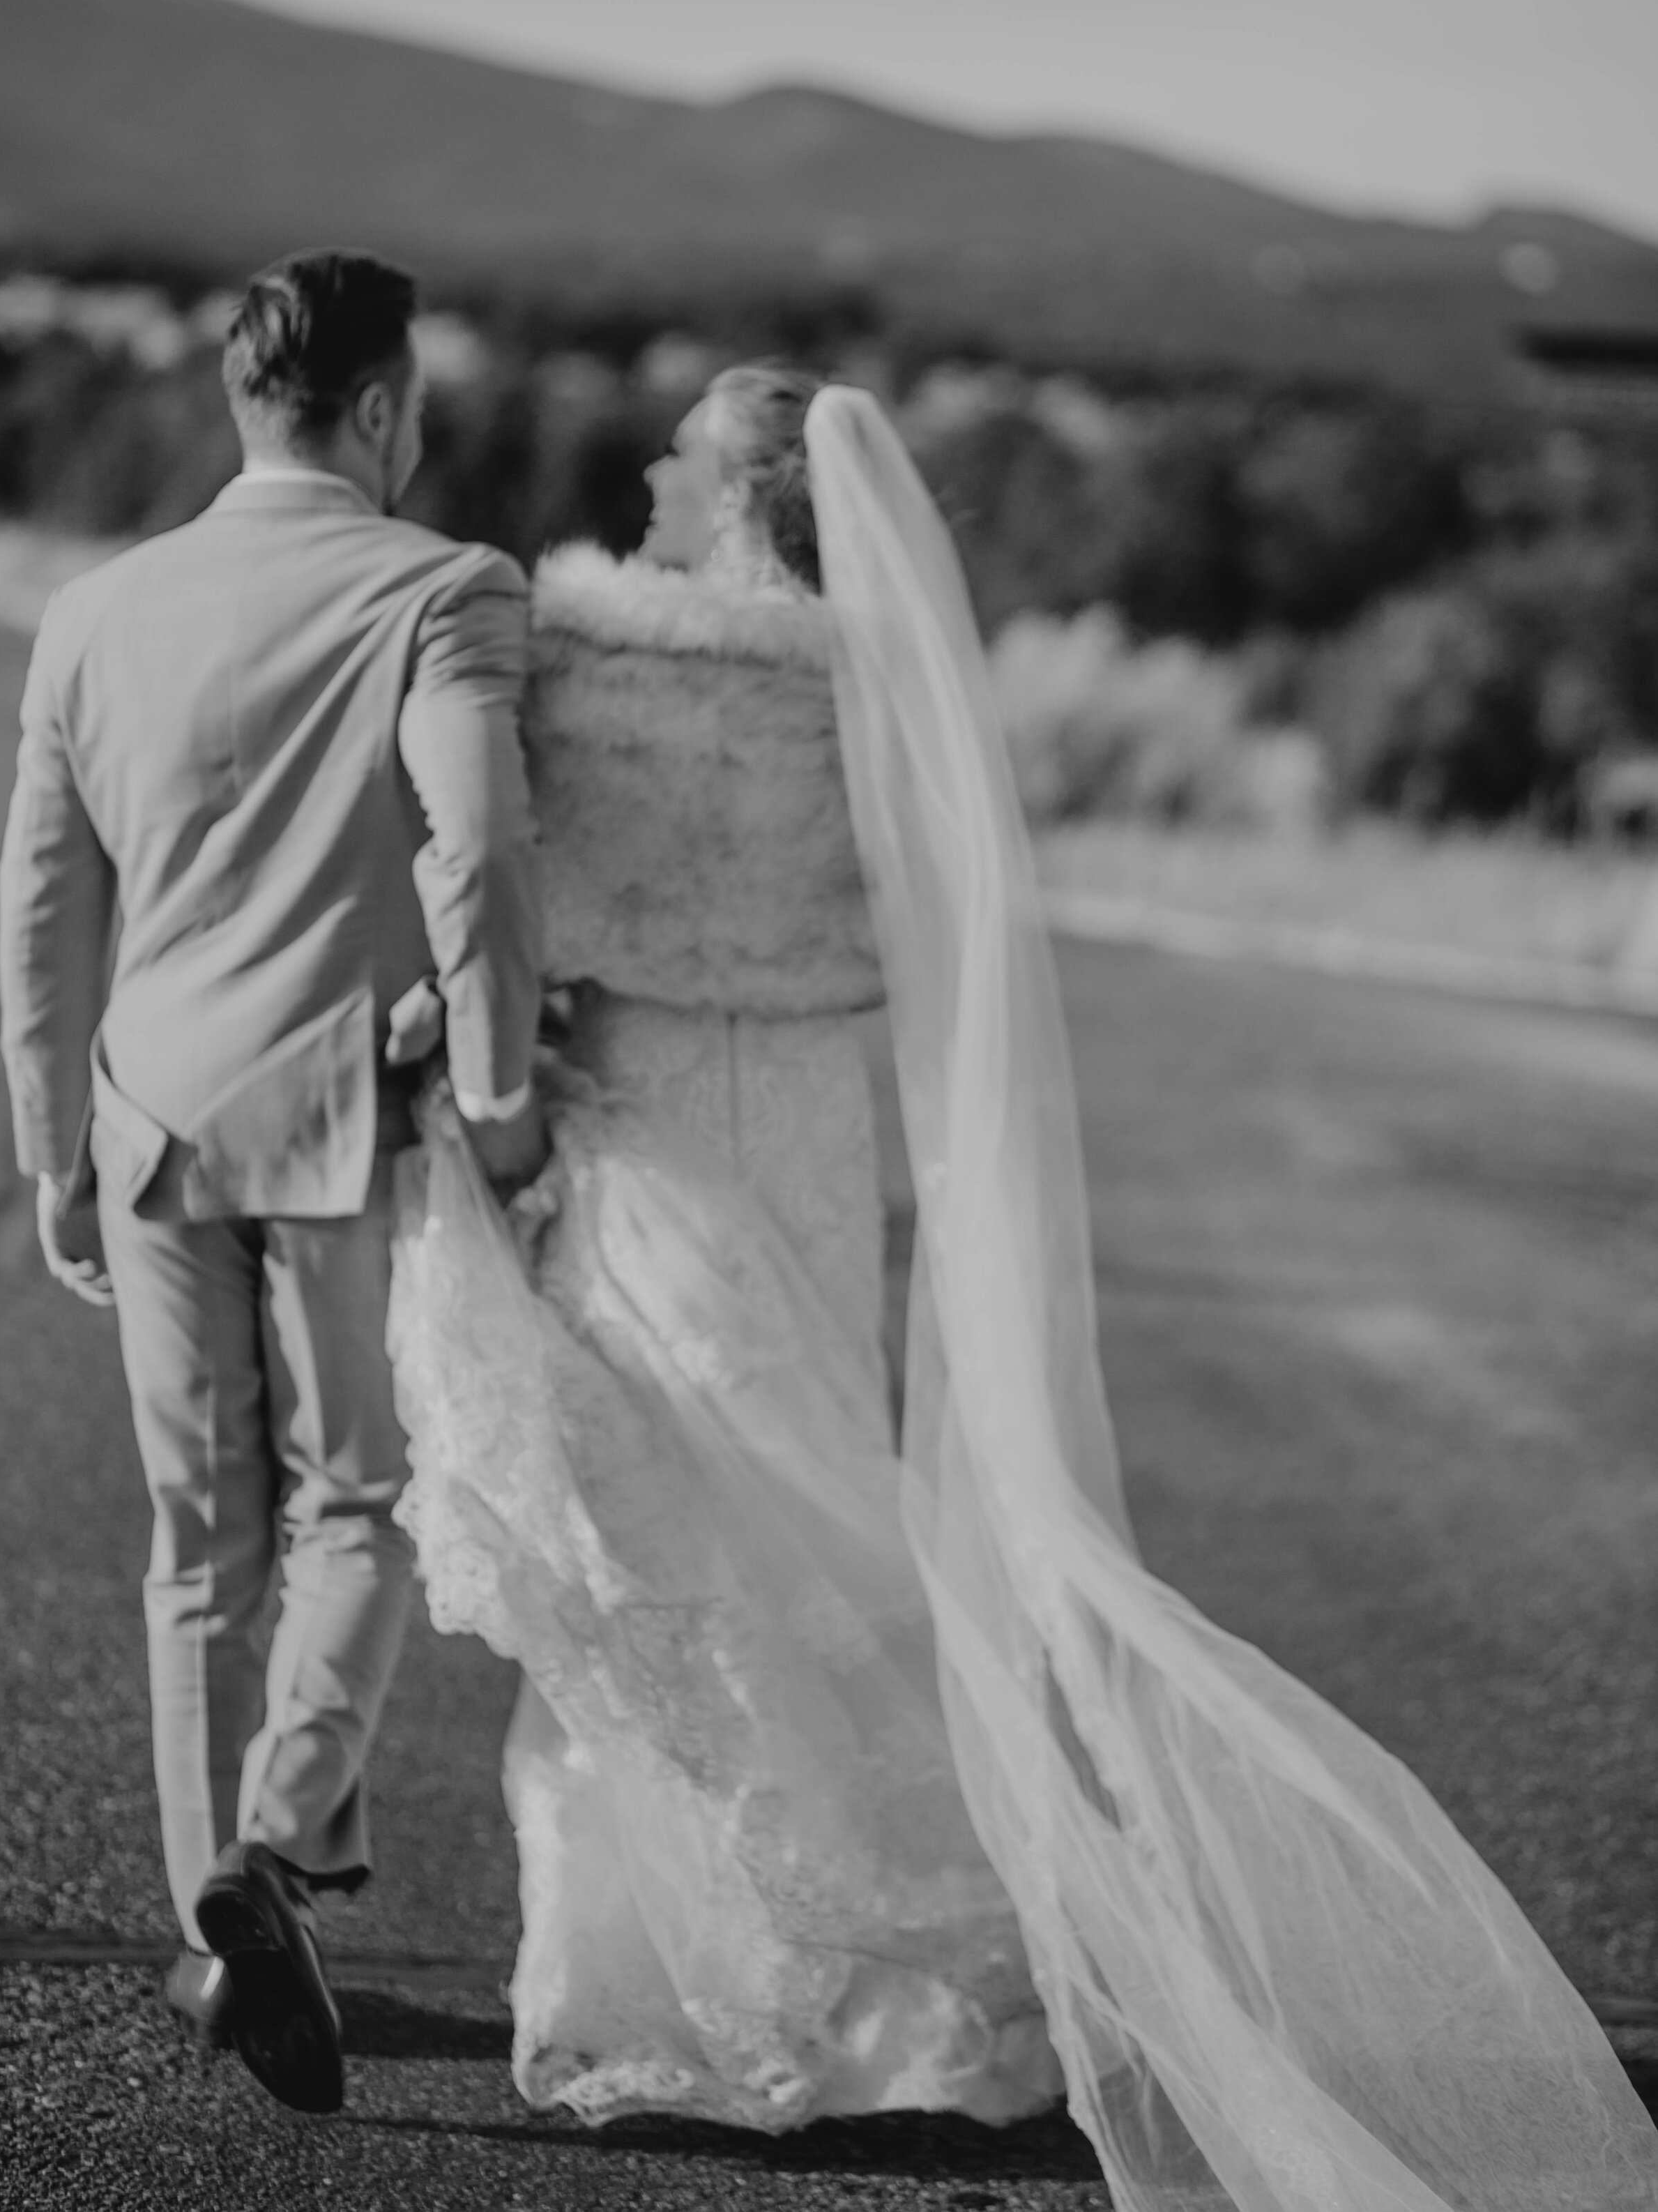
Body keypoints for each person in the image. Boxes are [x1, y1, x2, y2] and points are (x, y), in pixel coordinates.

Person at [390, 369, 1658, 2209]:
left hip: (646, 1112)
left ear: (732, 493)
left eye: (681, 454)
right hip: (815, 1127)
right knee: (817, 1514)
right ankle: (864, 2000)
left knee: (660, 1538)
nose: (653, 474)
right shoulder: (864, 679)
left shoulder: (594, 656)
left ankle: (681, 1992)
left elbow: (524, 882)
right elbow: (927, 921)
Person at [0, 249, 547, 2117]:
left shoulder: (96, 609)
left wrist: (50, 1149)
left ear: (244, 400)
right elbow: (473, 854)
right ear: (383, 407)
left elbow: (46, 905)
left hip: (147, 1114)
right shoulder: (449, 592)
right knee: (355, 1505)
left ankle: (217, 1927)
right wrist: (495, 1096)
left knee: (193, 1543)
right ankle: (280, 1841)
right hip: (335, 1121)